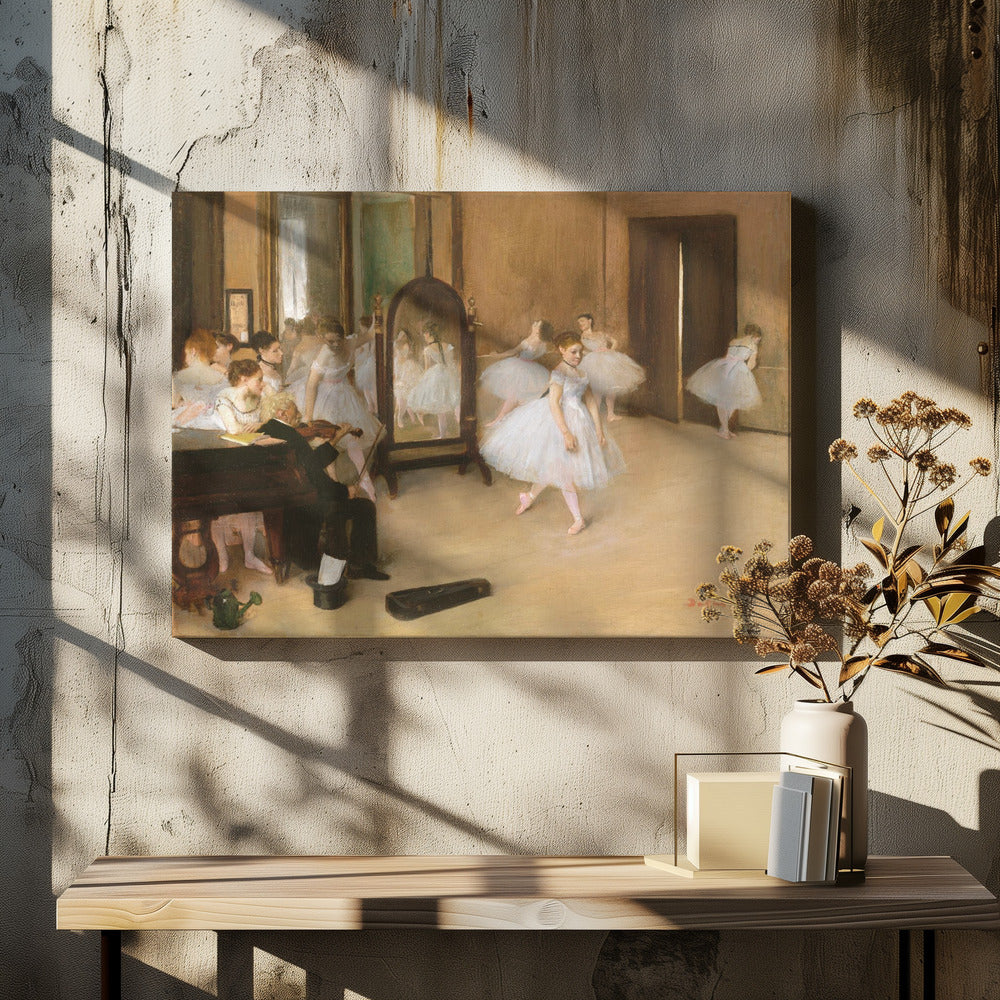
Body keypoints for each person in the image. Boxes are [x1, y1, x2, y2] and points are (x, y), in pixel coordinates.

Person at [481, 330, 625, 535]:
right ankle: (578, 519)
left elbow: (591, 401)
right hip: (559, 421)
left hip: (580, 419)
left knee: (555, 467)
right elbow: (554, 404)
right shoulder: (558, 373)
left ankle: (529, 497)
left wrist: (599, 430)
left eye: (580, 352)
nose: (578, 356)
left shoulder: (582, 373)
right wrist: (566, 432)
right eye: (573, 352)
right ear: (562, 350)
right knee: (564, 471)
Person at [257, 392, 388, 586]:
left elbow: (311, 464)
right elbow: (317, 479)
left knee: (343, 502)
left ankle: (345, 564)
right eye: (294, 409)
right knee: (364, 507)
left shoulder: (268, 430)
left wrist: (335, 440)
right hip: (307, 503)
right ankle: (357, 566)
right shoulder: (293, 437)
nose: (299, 414)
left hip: (293, 499)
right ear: (282, 413)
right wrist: (345, 490)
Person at [303, 318, 379, 501]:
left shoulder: (351, 342)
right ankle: (334, 485)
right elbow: (312, 385)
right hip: (327, 399)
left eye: (339, 339)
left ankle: (365, 480)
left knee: (352, 438)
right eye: (331, 341)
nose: (336, 344)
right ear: (322, 338)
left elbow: (370, 334)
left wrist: (378, 316)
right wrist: (308, 416)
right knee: (330, 442)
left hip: (345, 394)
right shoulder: (324, 355)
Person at [685, 323, 763, 439]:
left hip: (723, 368)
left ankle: (724, 429)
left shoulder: (734, 341)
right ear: (755, 336)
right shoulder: (752, 345)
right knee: (732, 400)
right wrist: (749, 368)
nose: (758, 341)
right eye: (758, 339)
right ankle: (725, 430)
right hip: (738, 371)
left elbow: (728, 356)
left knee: (723, 399)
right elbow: (751, 364)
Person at [479, 319, 553, 426]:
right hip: (533, 369)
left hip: (520, 368)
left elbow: (512, 352)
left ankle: (499, 419)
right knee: (521, 396)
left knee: (513, 395)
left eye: (537, 325)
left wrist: (497, 355)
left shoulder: (528, 341)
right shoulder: (544, 343)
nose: (533, 324)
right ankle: (508, 419)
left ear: (538, 330)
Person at [576, 313, 645, 421]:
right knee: (597, 389)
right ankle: (594, 416)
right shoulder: (582, 337)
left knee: (611, 388)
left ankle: (610, 414)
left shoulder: (600, 333)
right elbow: (582, 351)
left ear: (589, 321)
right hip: (595, 362)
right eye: (579, 323)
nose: (580, 324)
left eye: (582, 321)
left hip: (609, 359)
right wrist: (592, 352)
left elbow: (615, 342)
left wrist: (610, 350)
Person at [407, 323, 461, 439]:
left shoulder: (427, 349)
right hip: (450, 375)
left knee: (440, 409)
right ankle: (452, 432)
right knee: (453, 402)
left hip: (436, 377)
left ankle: (442, 434)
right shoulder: (448, 346)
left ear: (428, 334)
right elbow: (451, 363)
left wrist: (421, 381)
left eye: (424, 335)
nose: (424, 337)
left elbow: (427, 368)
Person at [214, 358, 266, 434]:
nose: (263, 384)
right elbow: (234, 429)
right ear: (244, 379)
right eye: (259, 380)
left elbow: (271, 422)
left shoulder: (260, 398)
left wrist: (261, 425)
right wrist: (263, 427)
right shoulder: (224, 400)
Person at [393, 329, 422, 426]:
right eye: (401, 336)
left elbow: (403, 358)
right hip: (398, 368)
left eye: (404, 336)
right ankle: (399, 417)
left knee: (407, 394)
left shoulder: (405, 346)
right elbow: (396, 358)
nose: (402, 337)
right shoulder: (396, 345)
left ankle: (411, 418)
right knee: (402, 394)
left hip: (406, 368)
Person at [251, 331, 284, 395]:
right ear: (262, 351)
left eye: (280, 348)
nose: (281, 353)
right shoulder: (257, 372)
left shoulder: (273, 368)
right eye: (275, 351)